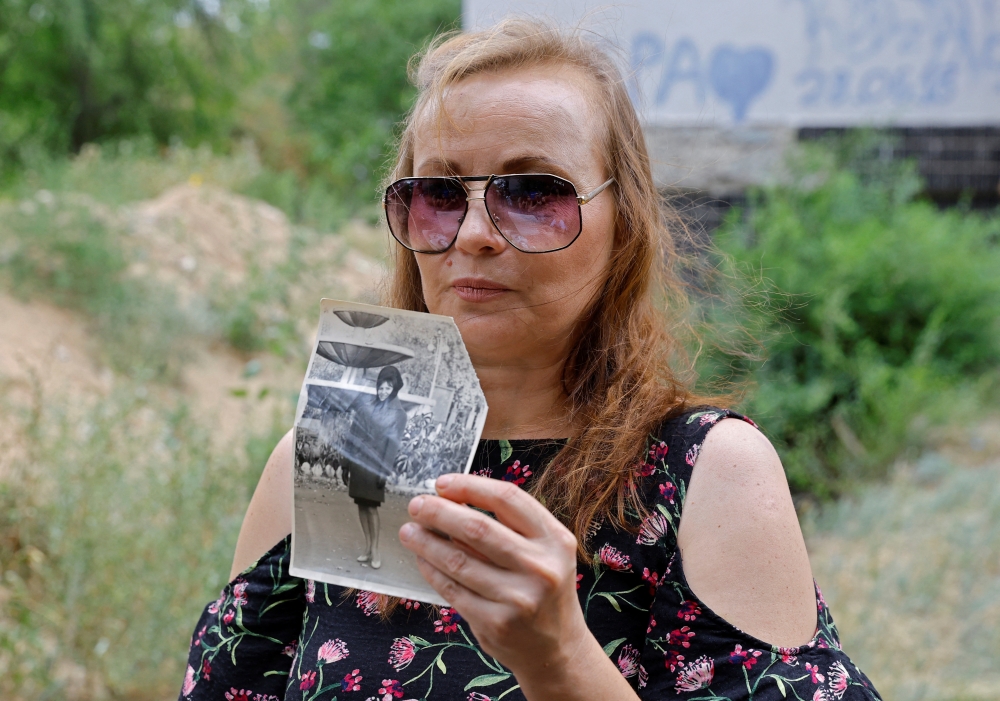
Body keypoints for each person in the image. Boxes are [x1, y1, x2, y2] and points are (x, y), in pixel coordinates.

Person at [179, 19, 881, 701]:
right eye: (439, 193)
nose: (476, 233)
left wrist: (561, 657)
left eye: (534, 192)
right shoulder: (333, 455)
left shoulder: (707, 473)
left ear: (624, 224)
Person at [341, 365, 408, 569]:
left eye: (388, 388)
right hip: (358, 464)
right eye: (381, 387)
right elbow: (352, 436)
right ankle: (368, 548)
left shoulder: (399, 414)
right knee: (361, 504)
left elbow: (392, 445)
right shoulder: (365, 407)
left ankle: (376, 549)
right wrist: (345, 465)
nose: (383, 391)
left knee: (371, 507)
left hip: (376, 467)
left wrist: (384, 471)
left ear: (394, 389)